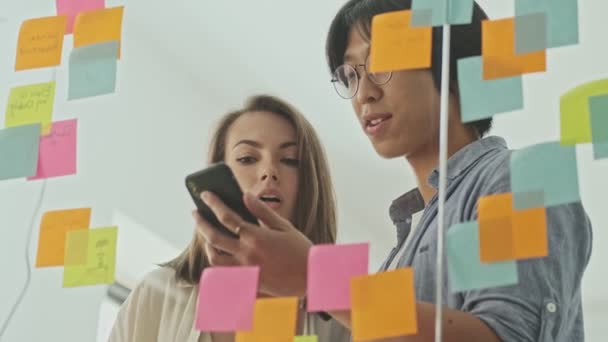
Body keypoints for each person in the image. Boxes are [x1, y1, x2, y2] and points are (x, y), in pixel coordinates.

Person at [195, 1, 593, 341]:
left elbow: (504, 334)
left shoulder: (519, 178)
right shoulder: (402, 247)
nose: (364, 92)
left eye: (382, 62)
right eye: (349, 75)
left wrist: (319, 279)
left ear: (453, 62)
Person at [109, 95, 350, 342]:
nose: (269, 172)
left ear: (311, 184)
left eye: (289, 160)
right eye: (247, 158)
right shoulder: (158, 292)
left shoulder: (343, 315)